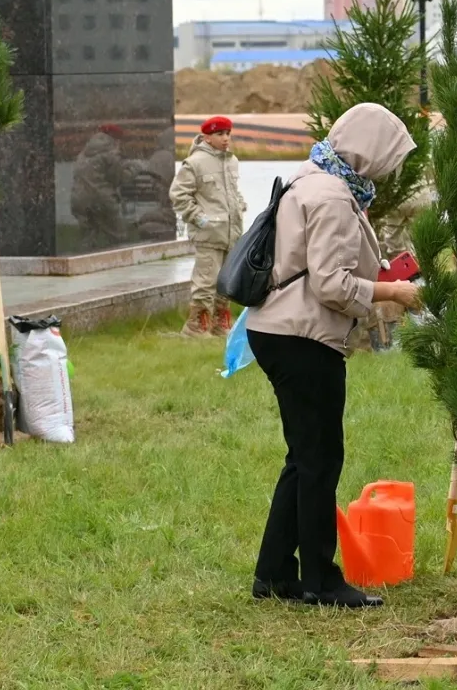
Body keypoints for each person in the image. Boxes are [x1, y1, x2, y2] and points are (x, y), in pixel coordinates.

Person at [244, 103, 423, 608]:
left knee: (304, 458)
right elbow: (330, 284)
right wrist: (393, 295)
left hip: (280, 330)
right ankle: (321, 581)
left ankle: (276, 573)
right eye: (392, 158)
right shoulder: (332, 196)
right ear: (371, 152)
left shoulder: (314, 176)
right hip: (303, 336)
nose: (393, 170)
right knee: (321, 459)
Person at [170, 116, 248, 337]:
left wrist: (240, 204)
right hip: (208, 233)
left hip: (231, 231)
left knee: (226, 280)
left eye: (227, 134)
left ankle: (220, 323)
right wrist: (197, 217)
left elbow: (231, 191)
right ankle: (197, 326)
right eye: (219, 135)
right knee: (205, 282)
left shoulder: (232, 161)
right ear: (207, 137)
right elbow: (178, 195)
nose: (225, 139)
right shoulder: (194, 163)